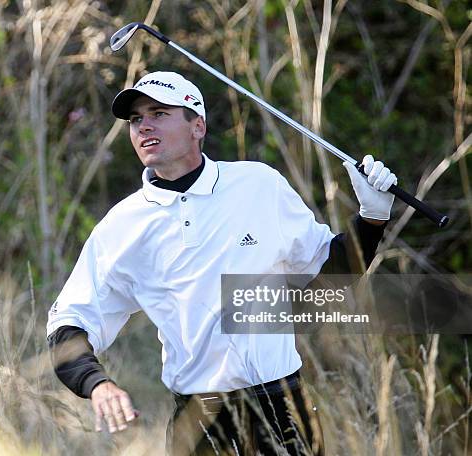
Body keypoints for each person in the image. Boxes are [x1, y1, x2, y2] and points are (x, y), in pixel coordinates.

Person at [46, 71, 397, 455]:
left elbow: (329, 274)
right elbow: (69, 322)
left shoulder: (259, 185)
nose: (143, 125)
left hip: (281, 407)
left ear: (197, 126)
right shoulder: (120, 226)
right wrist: (98, 384)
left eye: (159, 113)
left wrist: (372, 219)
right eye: (135, 119)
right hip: (198, 422)